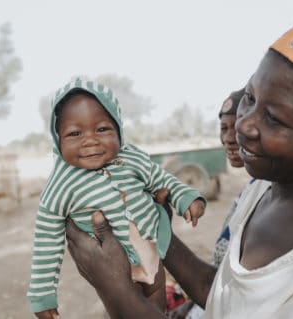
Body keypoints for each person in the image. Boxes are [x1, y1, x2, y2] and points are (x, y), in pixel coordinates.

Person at [65, 0, 293, 318]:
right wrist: (157, 231)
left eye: (273, 118)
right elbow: (226, 299)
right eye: (250, 99)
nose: (243, 125)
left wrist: (115, 289)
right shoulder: (264, 188)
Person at [27, 78, 206, 318]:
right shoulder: (61, 182)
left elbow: (161, 178)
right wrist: (42, 293)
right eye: (74, 133)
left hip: (152, 255)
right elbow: (46, 240)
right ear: (57, 140)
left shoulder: (129, 157)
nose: (90, 140)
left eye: (102, 129)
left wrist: (185, 197)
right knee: (125, 311)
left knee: (157, 307)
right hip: (112, 269)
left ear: (119, 130)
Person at [168, 88, 247, 319]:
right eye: (224, 129)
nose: (230, 138)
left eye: (240, 125)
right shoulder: (249, 193)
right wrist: (189, 306)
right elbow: (220, 272)